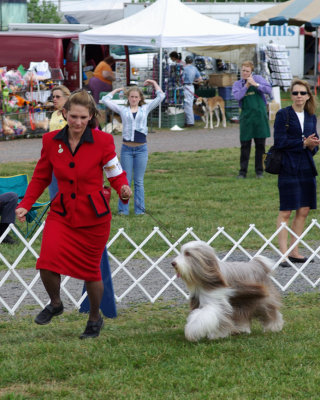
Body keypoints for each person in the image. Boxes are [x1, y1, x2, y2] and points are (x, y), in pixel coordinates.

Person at [15, 90, 132, 339]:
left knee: (91, 272)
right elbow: (41, 176)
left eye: (83, 117)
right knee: (46, 263)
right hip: (62, 213)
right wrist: (26, 203)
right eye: (73, 116)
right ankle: (56, 304)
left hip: (94, 216)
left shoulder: (103, 142)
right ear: (64, 113)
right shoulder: (50, 141)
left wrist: (123, 190)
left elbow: (115, 173)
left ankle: (94, 319)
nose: (78, 122)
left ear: (91, 116)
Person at [101, 79, 165, 216]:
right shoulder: (123, 109)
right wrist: (116, 91)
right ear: (128, 98)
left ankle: (140, 210)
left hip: (141, 148)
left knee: (139, 181)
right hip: (127, 149)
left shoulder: (145, 108)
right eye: (131, 97)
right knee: (125, 180)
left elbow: (161, 96)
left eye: (136, 97)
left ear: (140, 98)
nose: (134, 99)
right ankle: (123, 210)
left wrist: (154, 83)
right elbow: (105, 100)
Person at [274, 79, 319, 267]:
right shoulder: (283, 115)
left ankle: (294, 251)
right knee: (286, 210)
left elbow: (313, 144)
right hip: (288, 167)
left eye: (302, 93)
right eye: (295, 93)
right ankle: (283, 254)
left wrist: (313, 146)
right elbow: (279, 142)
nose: (299, 96)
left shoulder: (311, 117)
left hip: (307, 168)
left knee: (304, 210)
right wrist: (302, 143)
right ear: (290, 95)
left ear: (308, 95)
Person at [232, 60, 272, 179]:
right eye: (243, 70)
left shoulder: (258, 79)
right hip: (247, 119)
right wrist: (246, 86)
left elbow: (269, 91)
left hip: (260, 118)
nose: (245, 73)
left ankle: (259, 171)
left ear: (251, 71)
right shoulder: (237, 84)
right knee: (245, 146)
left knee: (261, 146)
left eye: (247, 71)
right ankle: (242, 171)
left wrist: (256, 84)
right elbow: (237, 96)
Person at [48, 85, 71, 200]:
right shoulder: (54, 114)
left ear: (66, 98)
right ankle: (55, 210)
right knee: (53, 186)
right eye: (53, 97)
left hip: (65, 154)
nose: (55, 99)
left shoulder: (69, 114)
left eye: (58, 97)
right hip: (52, 154)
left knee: (65, 188)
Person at [183, 55, 202, 127]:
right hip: (191, 87)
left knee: (187, 105)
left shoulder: (184, 68)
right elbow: (200, 79)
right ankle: (189, 121)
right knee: (190, 103)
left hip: (186, 86)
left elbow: (182, 79)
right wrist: (194, 80)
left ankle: (190, 122)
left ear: (185, 61)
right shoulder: (194, 68)